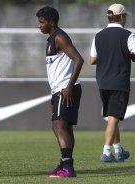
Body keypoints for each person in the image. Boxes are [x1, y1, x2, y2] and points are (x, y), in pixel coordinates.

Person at [89, 4, 135, 163]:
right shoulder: (127, 35)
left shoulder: (98, 36)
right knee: (114, 117)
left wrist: (108, 55)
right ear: (121, 17)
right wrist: (125, 54)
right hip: (119, 81)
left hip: (102, 81)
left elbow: (92, 59)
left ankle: (119, 151)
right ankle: (106, 152)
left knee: (112, 118)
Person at [36, 6, 84, 178]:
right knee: (66, 128)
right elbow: (57, 70)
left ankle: (68, 168)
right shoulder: (51, 39)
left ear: (51, 22)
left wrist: (69, 87)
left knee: (58, 126)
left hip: (66, 89)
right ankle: (65, 164)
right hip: (60, 90)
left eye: (42, 22)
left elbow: (79, 60)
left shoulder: (59, 37)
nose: (39, 25)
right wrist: (53, 94)